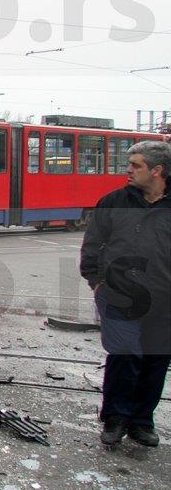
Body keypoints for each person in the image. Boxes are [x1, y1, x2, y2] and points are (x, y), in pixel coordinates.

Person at [80, 140, 171, 447]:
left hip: (164, 300)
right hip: (120, 296)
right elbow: (92, 245)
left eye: (135, 165)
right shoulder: (113, 201)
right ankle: (115, 420)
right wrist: (97, 283)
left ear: (157, 171)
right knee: (123, 358)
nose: (128, 170)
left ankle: (142, 422)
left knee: (155, 361)